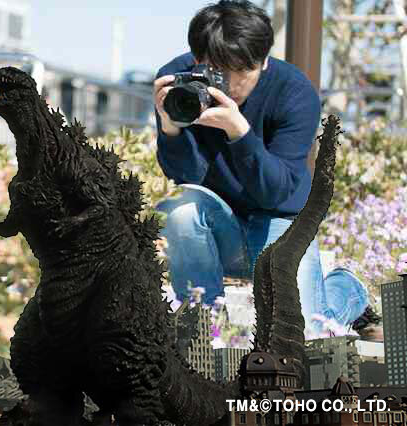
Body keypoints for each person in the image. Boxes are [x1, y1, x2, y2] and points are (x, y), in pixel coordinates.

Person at [152, 0, 376, 336]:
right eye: (217, 69)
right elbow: (186, 178)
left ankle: (348, 288)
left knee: (302, 335)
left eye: (242, 71)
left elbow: (278, 191)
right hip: (218, 223)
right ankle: (204, 330)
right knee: (181, 209)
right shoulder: (179, 82)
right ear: (198, 60)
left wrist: (238, 131)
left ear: (265, 61)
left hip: (278, 219)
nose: (230, 83)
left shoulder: (294, 92)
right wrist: (171, 129)